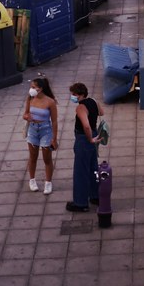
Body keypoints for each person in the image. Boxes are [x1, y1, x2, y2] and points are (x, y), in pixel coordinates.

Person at [65, 82, 101, 212]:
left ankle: (80, 203)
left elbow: (86, 125)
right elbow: (101, 112)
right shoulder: (93, 101)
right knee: (93, 168)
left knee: (81, 171)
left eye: (74, 94)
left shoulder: (80, 108)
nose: (72, 97)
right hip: (95, 135)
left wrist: (90, 138)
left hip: (84, 139)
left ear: (80, 95)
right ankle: (95, 196)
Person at [23, 76, 59, 195]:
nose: (31, 89)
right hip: (33, 130)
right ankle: (32, 180)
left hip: (46, 131)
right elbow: (25, 114)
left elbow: (54, 121)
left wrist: (54, 138)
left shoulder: (50, 102)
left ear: (41, 88)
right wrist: (27, 117)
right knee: (32, 157)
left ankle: (48, 183)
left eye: (33, 87)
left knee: (47, 158)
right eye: (31, 87)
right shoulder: (30, 99)